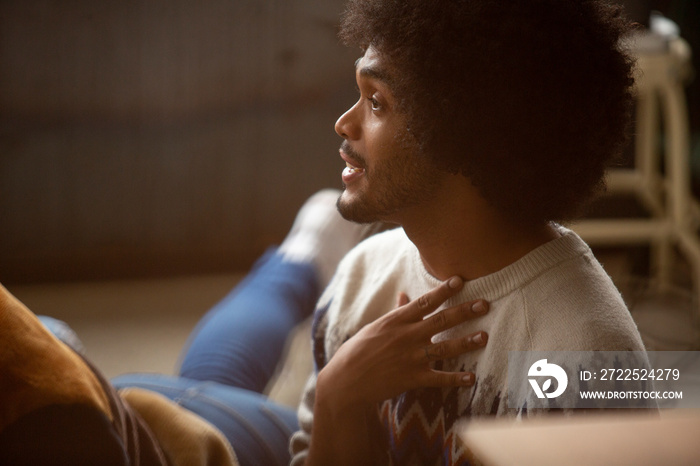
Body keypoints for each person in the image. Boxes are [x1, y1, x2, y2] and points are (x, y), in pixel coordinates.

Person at [288, 1, 650, 465]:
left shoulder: (589, 356)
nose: (344, 123)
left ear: (459, 131)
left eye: (376, 101)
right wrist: (338, 397)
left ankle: (297, 261)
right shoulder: (362, 274)